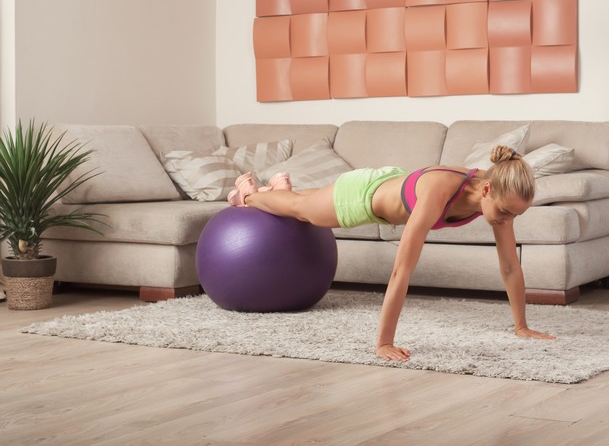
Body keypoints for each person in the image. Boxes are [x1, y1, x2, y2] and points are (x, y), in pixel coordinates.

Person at [227, 145, 556, 362]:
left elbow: (510, 267)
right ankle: (249, 196)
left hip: (392, 183)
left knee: (307, 204)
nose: (507, 221)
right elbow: (402, 271)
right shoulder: (439, 193)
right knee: (304, 212)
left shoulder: (499, 196)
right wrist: (384, 342)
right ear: (486, 191)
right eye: (506, 212)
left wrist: (521, 325)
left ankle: (278, 194)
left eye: (516, 215)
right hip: (364, 196)